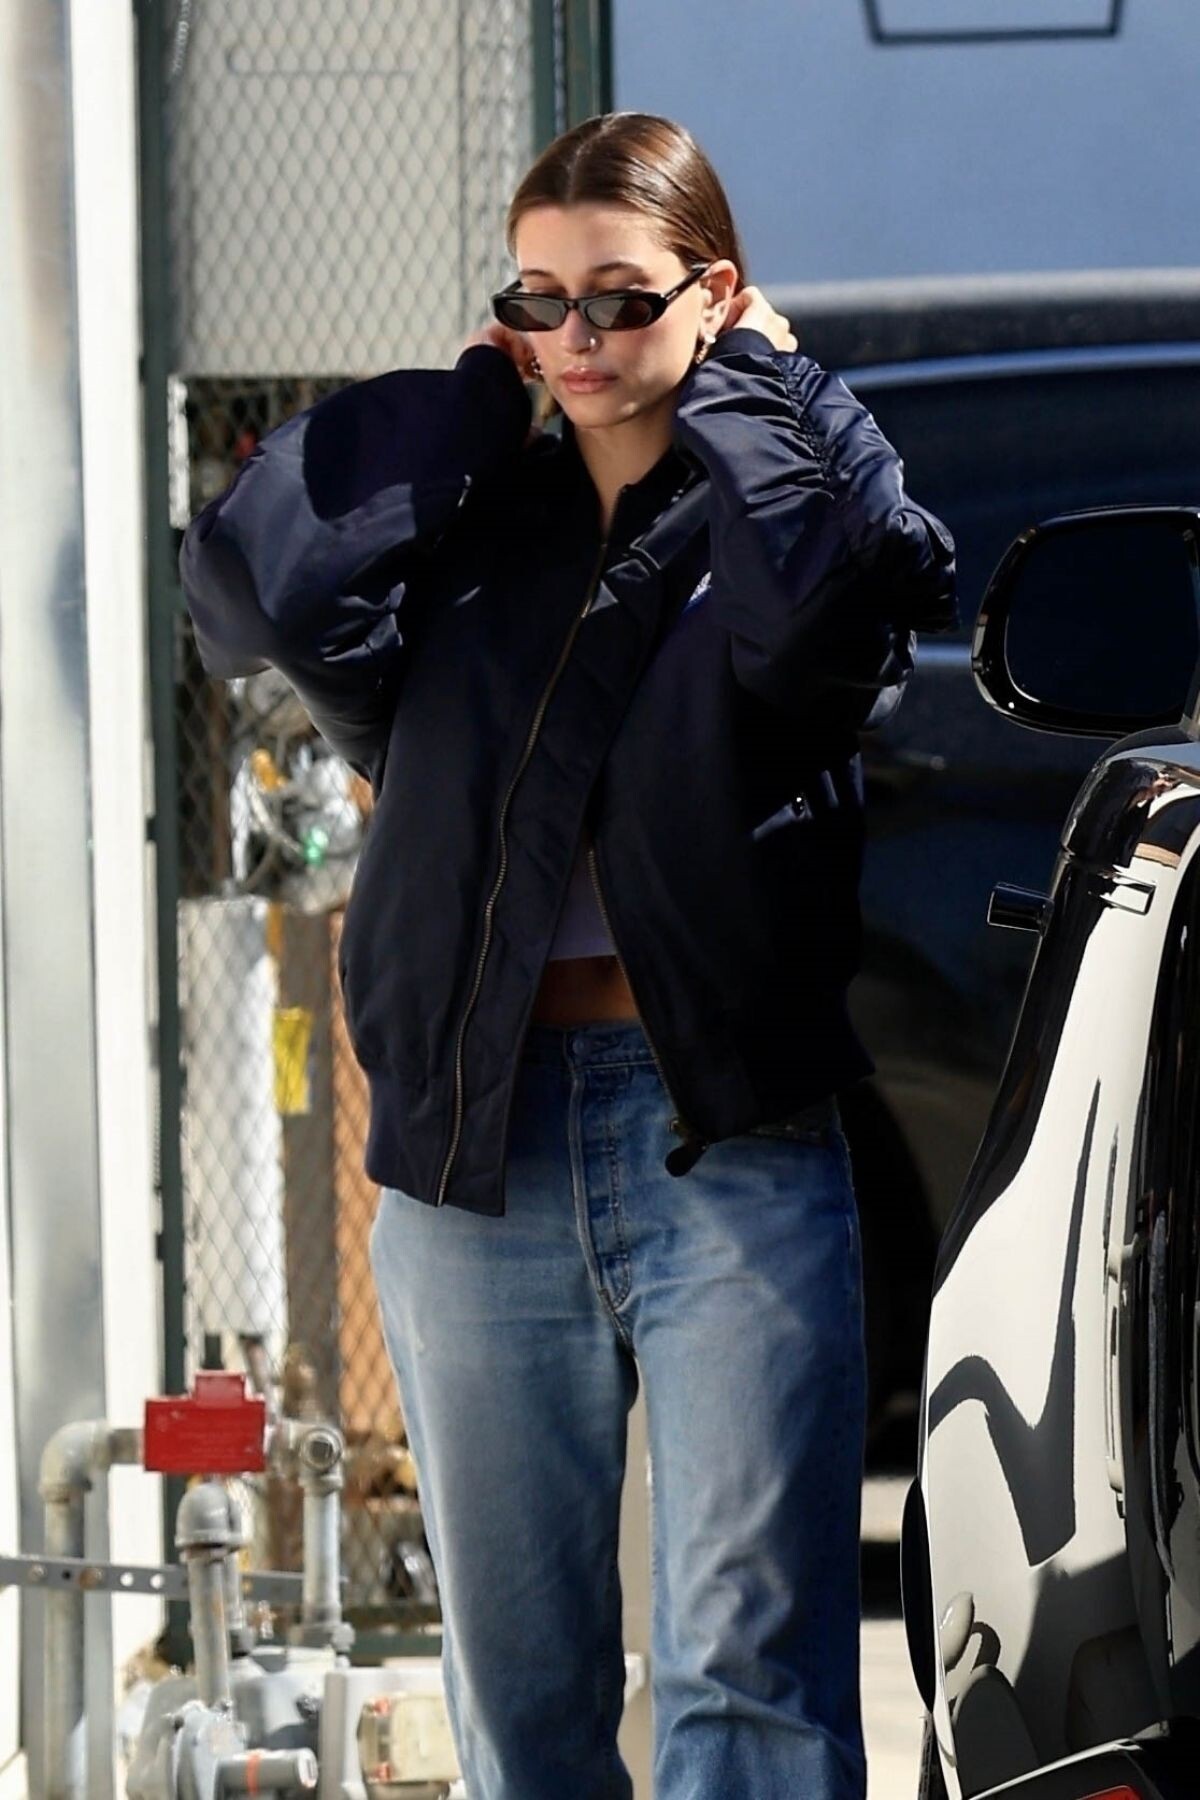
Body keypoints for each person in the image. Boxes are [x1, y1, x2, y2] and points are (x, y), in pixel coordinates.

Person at [181, 110, 956, 1800]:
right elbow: (251, 585)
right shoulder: (474, 539)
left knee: (748, 1667)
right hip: (481, 1147)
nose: (577, 335)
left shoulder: (762, 521)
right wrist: (470, 405)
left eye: (619, 296)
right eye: (538, 300)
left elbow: (837, 589)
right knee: (519, 1689)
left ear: (716, 293)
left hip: (723, 1140)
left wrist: (762, 385)